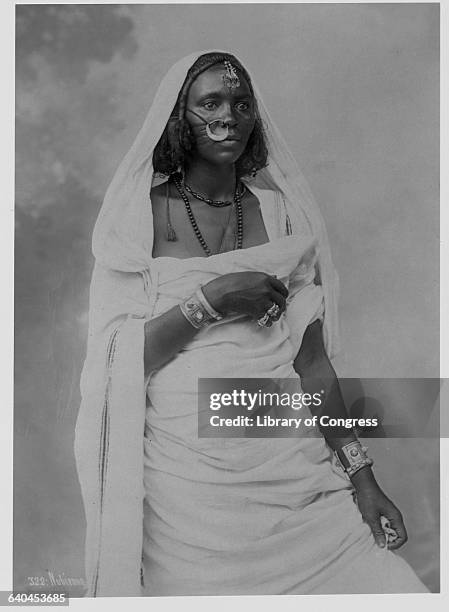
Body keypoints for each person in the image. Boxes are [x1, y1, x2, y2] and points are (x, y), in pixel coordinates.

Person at [74, 50, 428, 597]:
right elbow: (118, 358)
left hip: (296, 481)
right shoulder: (137, 218)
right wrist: (213, 299)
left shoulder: (283, 216)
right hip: (187, 505)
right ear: (178, 118)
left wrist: (365, 483)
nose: (229, 116)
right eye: (210, 102)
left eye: (242, 103)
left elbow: (313, 367)